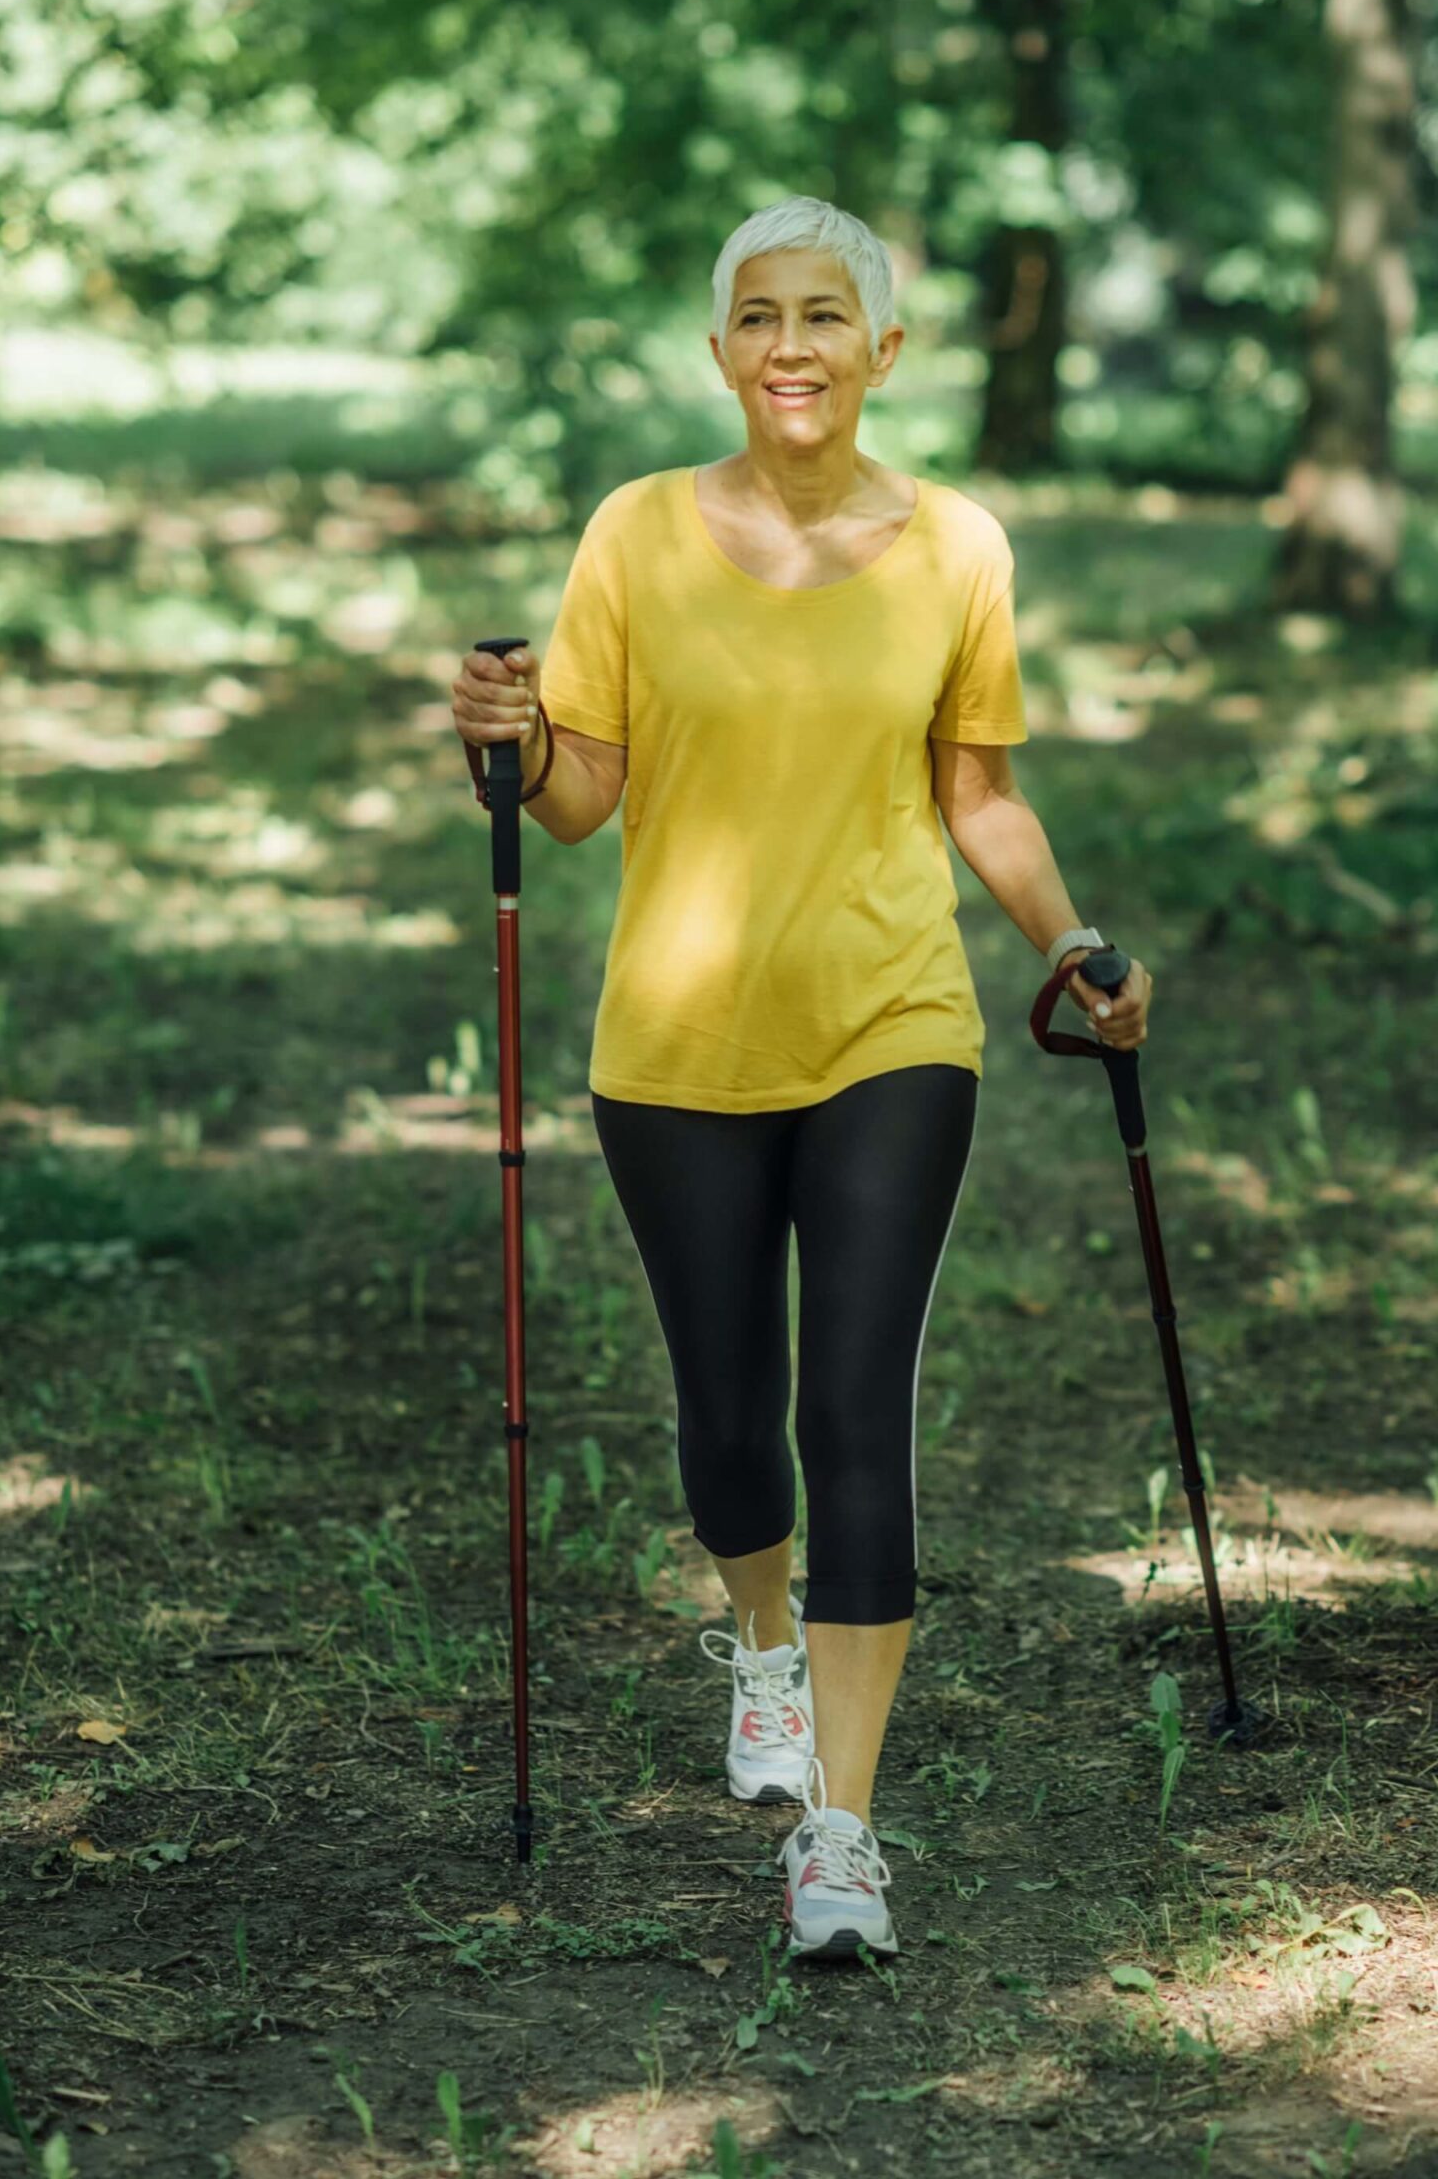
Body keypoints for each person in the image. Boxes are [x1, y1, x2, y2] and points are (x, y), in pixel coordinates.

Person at [450, 195, 1153, 1960]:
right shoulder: (634, 534)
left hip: (891, 1025)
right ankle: (759, 1646)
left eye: (826, 316)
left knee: (858, 1411)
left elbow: (978, 790)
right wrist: (515, 746)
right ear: (719, 351)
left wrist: (1073, 948)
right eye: (759, 316)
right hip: (676, 1044)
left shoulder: (960, 547)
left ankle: (839, 1834)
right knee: (727, 1415)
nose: (791, 346)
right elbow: (585, 791)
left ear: (885, 350)